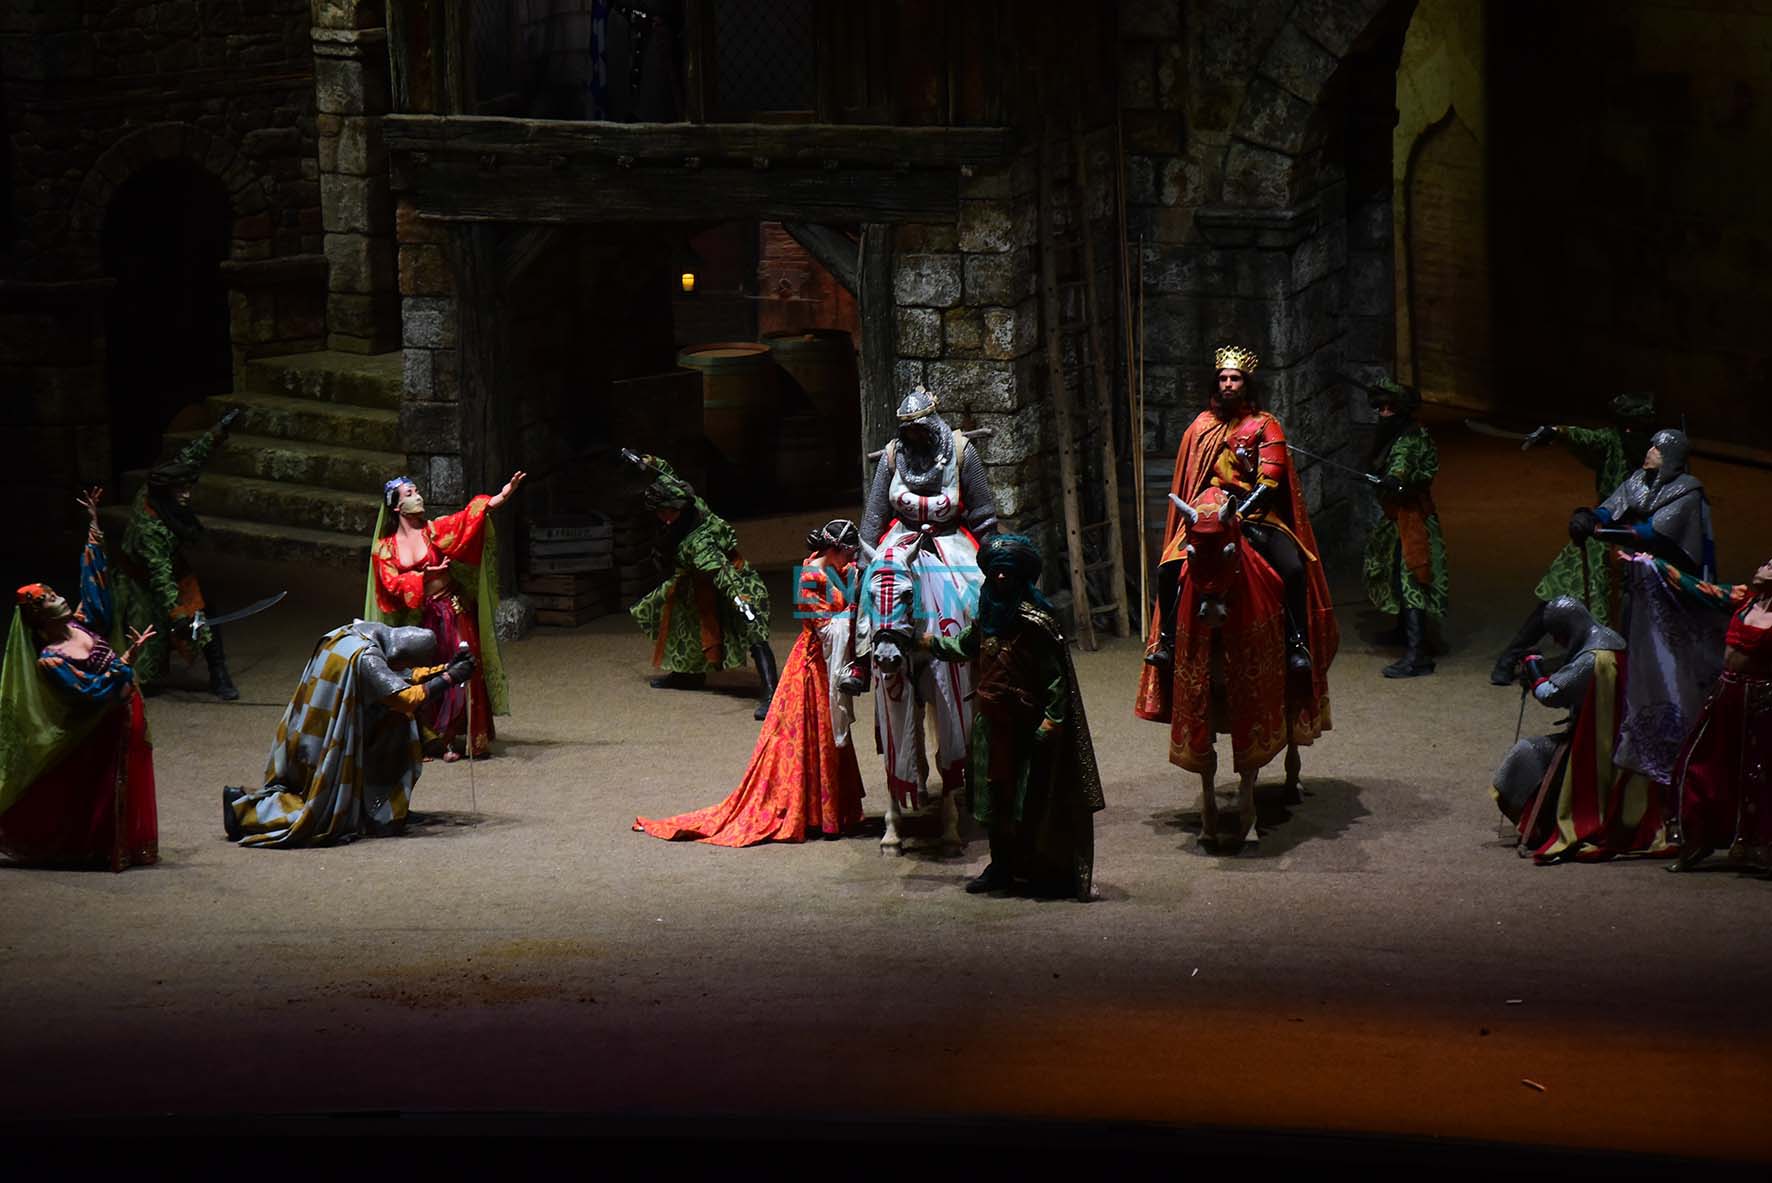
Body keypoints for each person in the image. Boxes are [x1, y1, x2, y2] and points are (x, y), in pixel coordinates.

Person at [634, 520, 866, 846]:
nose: (851, 559)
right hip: (812, 668)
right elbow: (828, 628)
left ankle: (830, 813)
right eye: (848, 553)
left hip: (826, 666)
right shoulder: (810, 578)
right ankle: (811, 813)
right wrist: (854, 610)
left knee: (827, 737)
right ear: (833, 549)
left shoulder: (834, 568)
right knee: (812, 737)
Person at [920, 534, 1104, 900]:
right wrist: (929, 643)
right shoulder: (987, 616)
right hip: (990, 724)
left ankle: (1036, 869)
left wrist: (1053, 719)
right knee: (992, 798)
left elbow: (1055, 677)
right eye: (996, 572)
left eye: (1007, 572)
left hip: (1026, 726)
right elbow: (965, 646)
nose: (1001, 578)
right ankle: (1001, 867)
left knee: (1028, 800)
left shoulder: (1036, 621)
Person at [1146, 345, 1336, 677]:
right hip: (1208, 512)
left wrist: (1238, 514)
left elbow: (1270, 480)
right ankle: (1167, 643)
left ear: (1246, 384)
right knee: (1167, 569)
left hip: (1254, 512)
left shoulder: (1265, 424)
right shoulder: (1201, 426)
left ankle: (1296, 644)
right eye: (1223, 379)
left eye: (1235, 378)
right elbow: (1193, 477)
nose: (1228, 384)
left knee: (1292, 568)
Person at [0, 488, 159, 871]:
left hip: (127, 708)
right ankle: (96, 849)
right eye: (48, 599)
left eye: (54, 593)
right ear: (38, 617)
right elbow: (89, 692)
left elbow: (96, 594)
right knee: (97, 788)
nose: (58, 598)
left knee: (128, 779)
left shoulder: (80, 624)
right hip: (98, 726)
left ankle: (121, 845)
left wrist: (94, 530)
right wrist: (124, 662)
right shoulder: (52, 660)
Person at [224, 622, 475, 848]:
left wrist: (446, 668)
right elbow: (404, 698)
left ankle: (380, 812)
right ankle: (243, 809)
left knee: (394, 726)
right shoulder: (366, 657)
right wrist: (449, 678)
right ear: (399, 654)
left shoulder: (364, 632)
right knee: (322, 811)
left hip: (320, 719)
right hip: (325, 732)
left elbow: (401, 676)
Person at [1490, 392, 1659, 684]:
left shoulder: (1660, 452)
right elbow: (1585, 438)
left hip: (1645, 539)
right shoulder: (1612, 442)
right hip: (1603, 532)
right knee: (1558, 593)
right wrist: (1556, 432)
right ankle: (1511, 655)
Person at [1492, 596, 1669, 863]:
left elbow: (1552, 694)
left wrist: (1534, 670)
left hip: (1596, 744)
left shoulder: (1592, 658)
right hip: (1620, 735)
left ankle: (1544, 824)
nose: (1556, 642)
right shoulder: (1611, 639)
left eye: (1557, 635)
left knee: (1527, 754)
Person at [848, 386, 998, 693]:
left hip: (949, 537)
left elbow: (982, 510)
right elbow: (875, 512)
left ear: (932, 424)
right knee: (868, 588)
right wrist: (864, 561)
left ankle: (988, 657)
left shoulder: (961, 452)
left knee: (981, 589)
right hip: (901, 537)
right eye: (908, 431)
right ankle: (859, 661)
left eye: (919, 429)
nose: (914, 436)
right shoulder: (893, 455)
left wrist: (992, 553)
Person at [367, 471, 522, 759]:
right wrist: (422, 577)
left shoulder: (434, 531)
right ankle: (434, 739)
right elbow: (390, 584)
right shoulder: (385, 548)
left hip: (453, 608)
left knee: (465, 665)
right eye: (410, 494)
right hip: (422, 618)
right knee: (431, 673)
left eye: (417, 491)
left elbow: (467, 520)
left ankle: (465, 735)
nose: (418, 497)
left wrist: (500, 497)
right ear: (397, 507)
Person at [1641, 554, 1772, 872]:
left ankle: (1760, 848)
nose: (1762, 566)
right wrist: (1652, 564)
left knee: (1758, 776)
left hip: (1763, 703)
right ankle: (1697, 839)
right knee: (1697, 764)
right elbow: (1696, 588)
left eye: (1771, 565)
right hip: (1726, 696)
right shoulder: (1743, 599)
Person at [627, 453, 777, 721]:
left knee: (752, 630)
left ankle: (771, 691)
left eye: (666, 512)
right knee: (682, 623)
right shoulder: (687, 499)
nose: (663, 517)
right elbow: (666, 473)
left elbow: (721, 572)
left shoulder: (700, 542)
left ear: (677, 507)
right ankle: (688, 675)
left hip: (731, 581)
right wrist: (649, 462)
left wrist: (741, 601)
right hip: (694, 581)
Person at [113, 408, 243, 699]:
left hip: (171, 570)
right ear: (166, 492)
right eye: (180, 490)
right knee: (144, 666)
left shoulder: (161, 490)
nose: (187, 495)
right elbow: (160, 576)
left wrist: (217, 432)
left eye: (188, 488)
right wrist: (176, 615)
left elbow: (189, 457)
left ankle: (218, 671)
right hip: (140, 582)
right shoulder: (151, 527)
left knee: (202, 611)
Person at [1359, 378, 1448, 678]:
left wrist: (1395, 479)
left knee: (1413, 580)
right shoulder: (1396, 434)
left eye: (1390, 407)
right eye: (1381, 408)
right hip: (1396, 517)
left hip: (1413, 519)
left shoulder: (1411, 439)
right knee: (1395, 574)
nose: (1384, 412)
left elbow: (1404, 465)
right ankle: (1402, 632)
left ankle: (1417, 655)